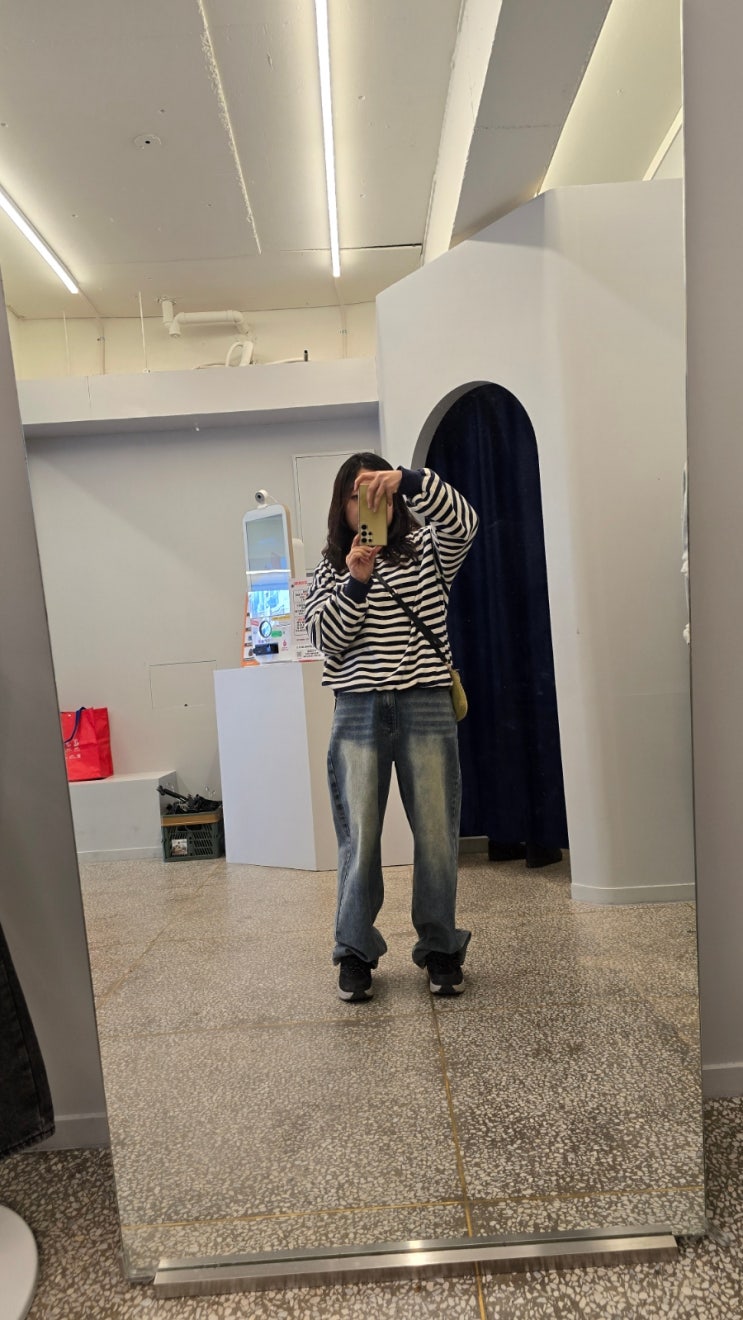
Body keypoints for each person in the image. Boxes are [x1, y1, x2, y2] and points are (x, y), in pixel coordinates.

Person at [304, 453, 479, 1001]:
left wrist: (410, 479)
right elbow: (323, 639)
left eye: (375, 492)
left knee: (436, 833)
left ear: (393, 498)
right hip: (357, 708)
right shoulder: (328, 569)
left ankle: (441, 946)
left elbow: (465, 522)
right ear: (341, 506)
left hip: (425, 703)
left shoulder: (427, 551)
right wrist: (355, 581)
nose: (366, 505)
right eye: (355, 495)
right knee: (359, 837)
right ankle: (354, 951)